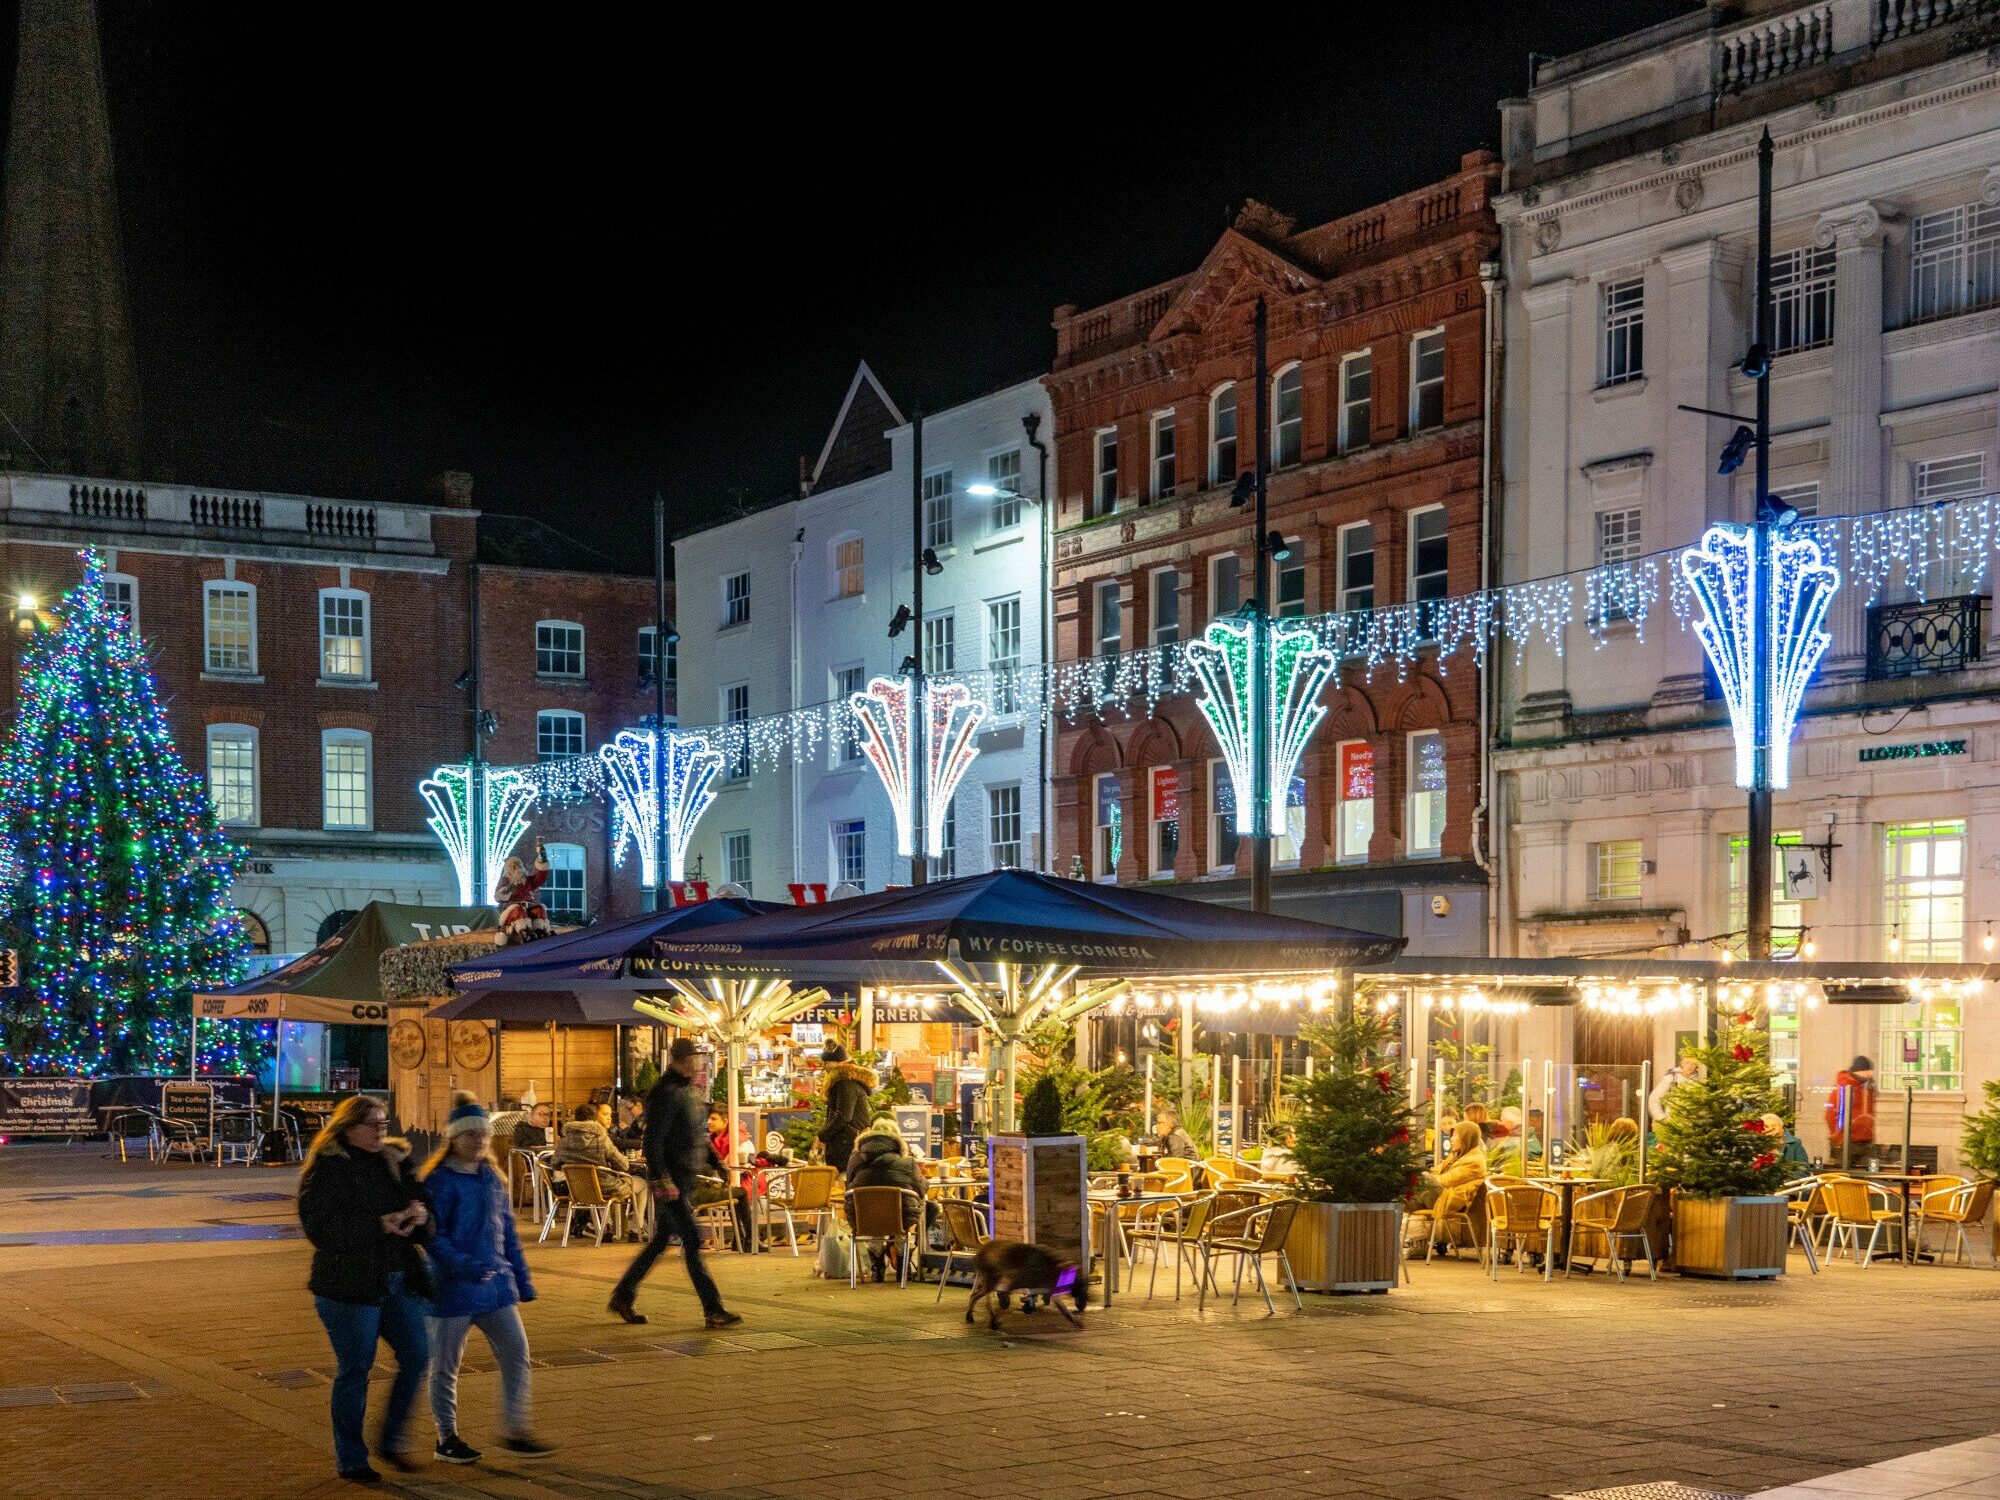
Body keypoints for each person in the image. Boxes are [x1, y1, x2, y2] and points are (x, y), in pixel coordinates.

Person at [297, 1095, 434, 1486]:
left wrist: (420, 1214)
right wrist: (378, 1224)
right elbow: (322, 1230)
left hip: (397, 1277)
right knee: (356, 1369)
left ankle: (391, 1440)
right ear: (348, 1128)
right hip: (347, 1285)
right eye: (372, 1124)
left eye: (383, 1122)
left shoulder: (395, 1160)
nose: (380, 1130)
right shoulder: (327, 1168)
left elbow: (422, 1202)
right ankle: (352, 1457)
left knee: (417, 1355)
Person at [419, 1093, 552, 1465]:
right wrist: (466, 1267)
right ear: (454, 1138)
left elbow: (507, 1233)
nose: (478, 1140)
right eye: (470, 1134)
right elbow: (432, 1237)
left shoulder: (492, 1178)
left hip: (495, 1288)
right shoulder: (439, 1182)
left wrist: (521, 1281)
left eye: (483, 1134)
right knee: (445, 1366)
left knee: (517, 1354)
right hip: (452, 1290)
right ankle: (446, 1437)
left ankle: (515, 1428)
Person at [609, 1038, 742, 1329]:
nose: (699, 1063)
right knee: (692, 1240)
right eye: (694, 1058)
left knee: (659, 1243)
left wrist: (716, 1161)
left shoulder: (687, 1091)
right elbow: (653, 1139)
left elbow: (697, 1133)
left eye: (699, 1059)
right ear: (681, 1061)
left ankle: (622, 1295)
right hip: (672, 1181)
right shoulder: (667, 1093)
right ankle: (713, 1309)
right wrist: (661, 1178)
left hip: (684, 1178)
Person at [845, 1116, 927, 1281]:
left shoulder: (854, 1160)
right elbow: (922, 1189)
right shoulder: (908, 1162)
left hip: (863, 1218)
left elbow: (849, 1187)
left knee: (875, 1217)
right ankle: (903, 1265)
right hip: (900, 1219)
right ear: (898, 1140)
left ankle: (877, 1266)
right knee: (920, 1210)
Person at [817, 1043, 876, 1174]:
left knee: (844, 1178)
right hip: (848, 1141)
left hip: (846, 1144)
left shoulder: (844, 1083)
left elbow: (843, 1116)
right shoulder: (847, 1080)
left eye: (827, 1062)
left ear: (839, 1062)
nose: (824, 1066)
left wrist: (822, 1136)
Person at [494, 842, 552, 944]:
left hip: (528, 908)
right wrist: (511, 886)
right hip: (513, 911)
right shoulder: (505, 880)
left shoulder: (527, 880)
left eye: (518, 866)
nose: (517, 869)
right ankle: (524, 933)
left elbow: (539, 878)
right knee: (518, 910)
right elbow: (499, 896)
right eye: (514, 867)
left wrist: (542, 858)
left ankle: (541, 931)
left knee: (539, 909)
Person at [1825, 1056, 1877, 1164]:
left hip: (1865, 1143)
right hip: (1846, 1143)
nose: (1871, 1074)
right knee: (1844, 1178)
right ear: (1860, 1071)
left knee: (1866, 1178)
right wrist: (1838, 1137)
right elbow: (1831, 1114)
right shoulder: (1844, 1087)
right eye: (1868, 1070)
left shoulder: (1867, 1088)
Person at [1649, 1055, 1703, 1124]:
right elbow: (1654, 1099)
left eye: (1693, 1063)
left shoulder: (1698, 1080)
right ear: (1681, 1063)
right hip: (1672, 1123)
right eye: (1687, 1062)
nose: (1690, 1066)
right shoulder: (1671, 1077)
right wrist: (1662, 1118)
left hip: (1692, 1125)